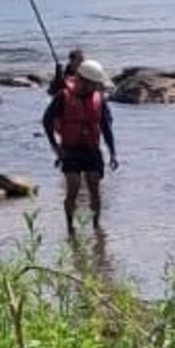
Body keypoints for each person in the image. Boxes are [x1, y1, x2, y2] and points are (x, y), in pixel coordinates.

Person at [42, 58, 119, 235]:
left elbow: (106, 127)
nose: (97, 87)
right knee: (73, 188)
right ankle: (70, 228)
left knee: (95, 189)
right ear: (83, 81)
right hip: (70, 151)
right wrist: (55, 146)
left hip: (92, 150)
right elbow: (47, 121)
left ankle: (96, 227)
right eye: (94, 84)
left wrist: (113, 153)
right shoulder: (63, 97)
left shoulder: (99, 99)